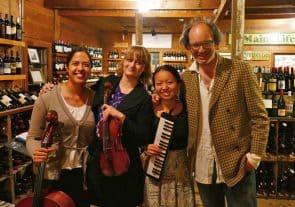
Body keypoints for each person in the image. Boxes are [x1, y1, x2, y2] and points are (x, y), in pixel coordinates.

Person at [179, 18, 270, 207]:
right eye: (196, 45)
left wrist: (254, 157)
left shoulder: (239, 70)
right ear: (188, 46)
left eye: (207, 43)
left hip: (238, 163)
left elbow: (260, 117)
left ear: (216, 42)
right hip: (202, 162)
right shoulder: (186, 78)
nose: (202, 50)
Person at [26, 47, 95, 207]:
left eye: (86, 64)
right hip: (52, 172)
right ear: (67, 67)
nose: (80, 68)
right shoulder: (47, 98)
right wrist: (35, 152)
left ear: (90, 69)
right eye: (75, 63)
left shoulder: (95, 98)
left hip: (82, 174)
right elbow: (33, 136)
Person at [86, 45, 154, 207]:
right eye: (129, 60)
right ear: (123, 62)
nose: (132, 65)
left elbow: (143, 135)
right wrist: (53, 89)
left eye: (139, 63)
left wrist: (121, 116)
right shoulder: (106, 82)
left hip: (123, 162)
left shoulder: (144, 98)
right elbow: (81, 93)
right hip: (97, 157)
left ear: (144, 68)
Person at [142, 65, 195, 207]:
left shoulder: (188, 108)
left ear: (178, 85)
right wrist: (146, 147)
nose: (164, 87)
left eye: (170, 82)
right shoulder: (147, 108)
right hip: (155, 170)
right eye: (159, 83)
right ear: (154, 86)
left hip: (180, 172)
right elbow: (140, 136)